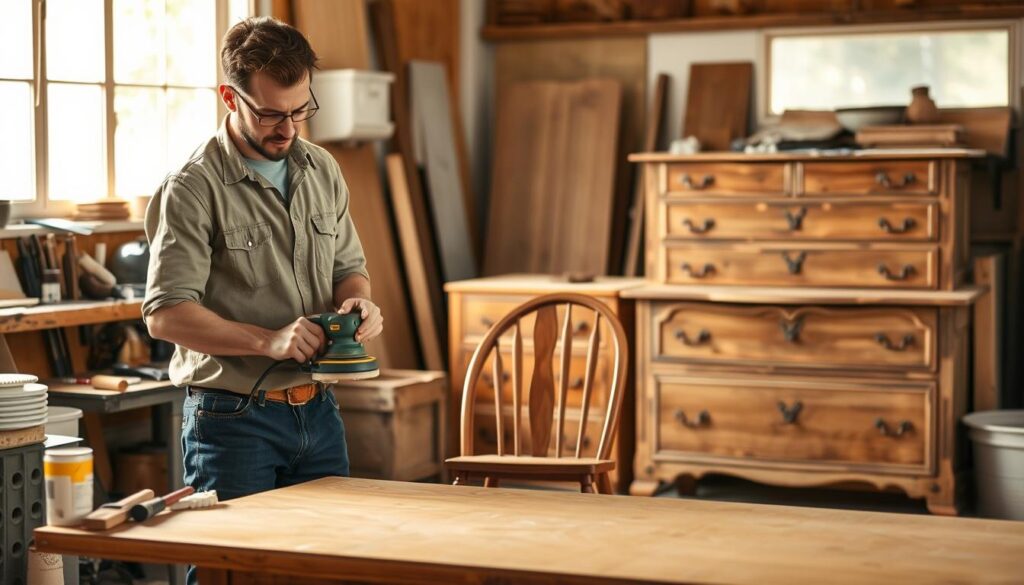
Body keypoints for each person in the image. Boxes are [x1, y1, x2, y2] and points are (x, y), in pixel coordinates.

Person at [143, 16, 383, 508]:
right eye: (272, 114)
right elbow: (165, 314)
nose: (290, 128)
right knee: (229, 571)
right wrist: (268, 340)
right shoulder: (192, 188)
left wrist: (358, 301)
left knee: (324, 563)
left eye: (301, 109)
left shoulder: (321, 169)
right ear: (230, 98)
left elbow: (347, 268)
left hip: (318, 410)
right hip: (232, 421)